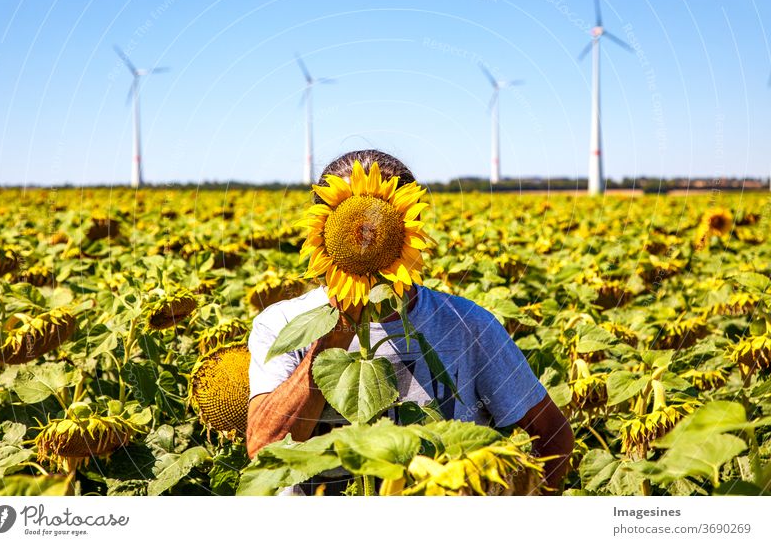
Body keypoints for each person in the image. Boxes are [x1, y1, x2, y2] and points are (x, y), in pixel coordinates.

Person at [246, 149, 574, 495]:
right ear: (323, 230)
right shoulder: (282, 325)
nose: (365, 239)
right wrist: (337, 329)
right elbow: (265, 449)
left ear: (408, 227)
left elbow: (552, 433)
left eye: (378, 224)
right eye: (352, 226)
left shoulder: (467, 325)